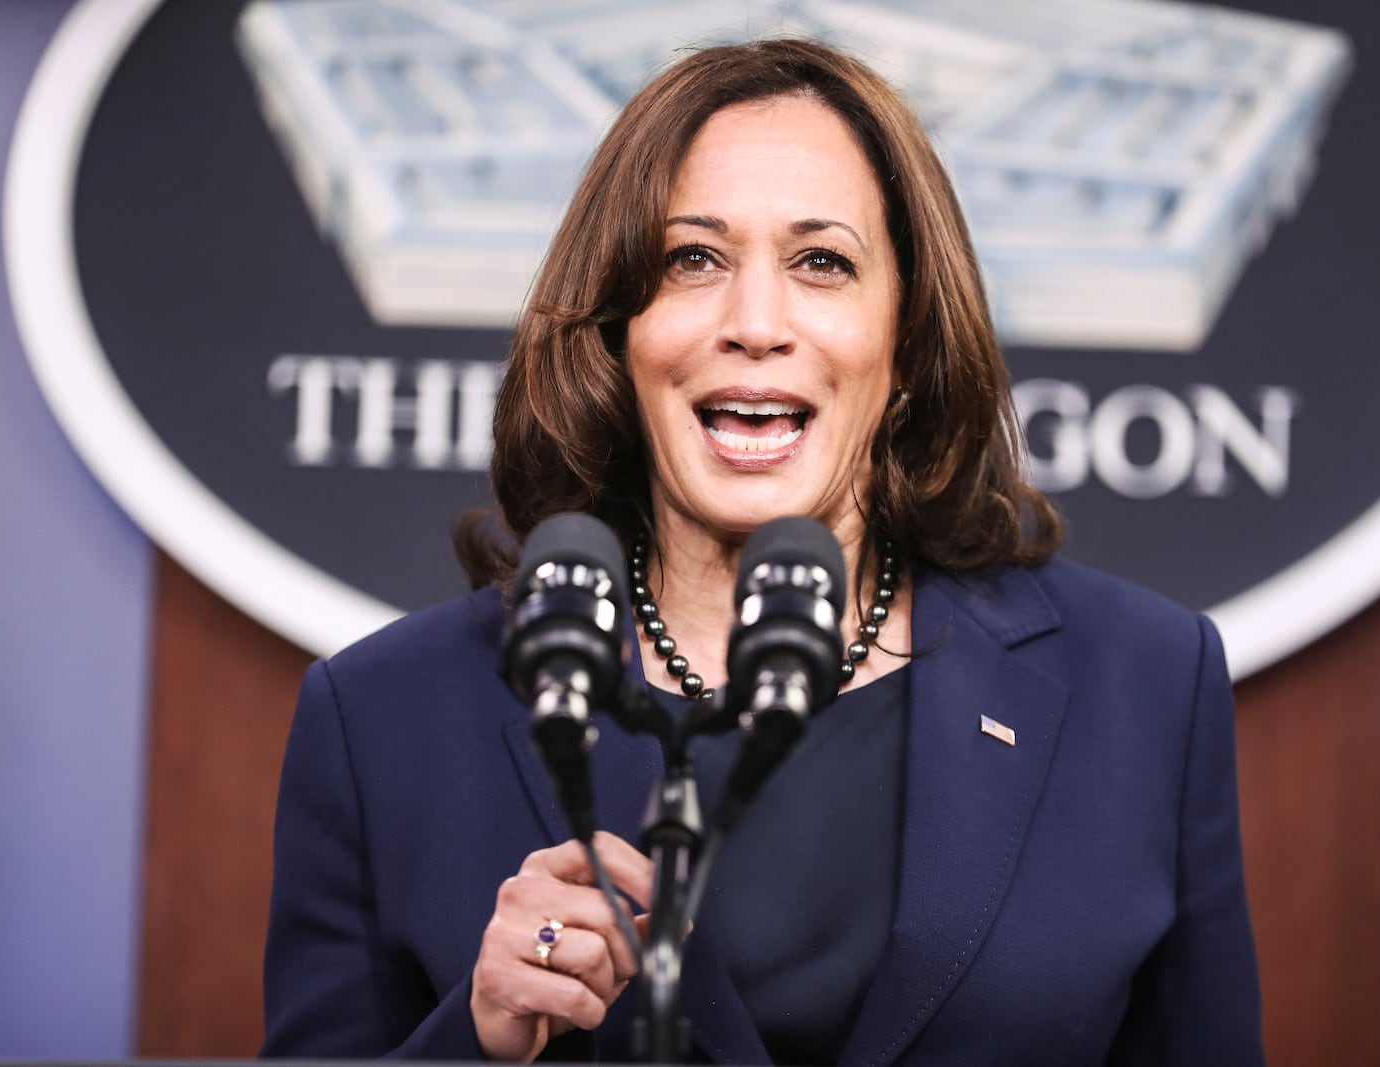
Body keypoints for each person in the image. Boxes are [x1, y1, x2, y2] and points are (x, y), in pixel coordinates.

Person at [260, 36, 1263, 1066]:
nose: (754, 322)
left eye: (820, 262)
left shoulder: (1139, 682)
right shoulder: (384, 713)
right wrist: (475, 1039)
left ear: (906, 336)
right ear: (616, 332)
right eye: (691, 258)